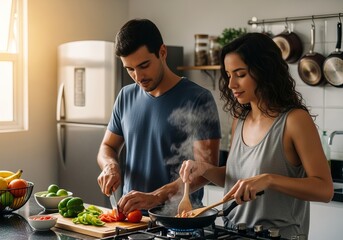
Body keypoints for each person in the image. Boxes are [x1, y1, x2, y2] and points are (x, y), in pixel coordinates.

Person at [179, 32, 333, 238]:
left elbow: (324, 189)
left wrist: (269, 180)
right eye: (229, 75)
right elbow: (238, 178)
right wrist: (205, 169)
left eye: (240, 74)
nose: (231, 84)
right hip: (233, 232)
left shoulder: (295, 120)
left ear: (264, 72)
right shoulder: (241, 120)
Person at [97, 19, 221, 215]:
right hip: (132, 221)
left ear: (162, 52)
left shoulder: (198, 98)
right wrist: (110, 166)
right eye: (129, 69)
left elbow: (207, 170)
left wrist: (156, 196)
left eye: (144, 65)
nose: (138, 76)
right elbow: (107, 147)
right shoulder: (125, 96)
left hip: (180, 222)